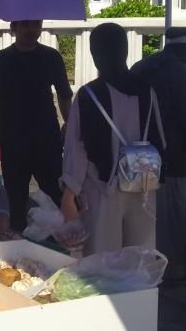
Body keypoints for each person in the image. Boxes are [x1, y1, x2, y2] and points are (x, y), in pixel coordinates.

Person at [60, 22, 165, 256]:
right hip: (143, 185)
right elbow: (159, 139)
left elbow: (76, 147)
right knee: (140, 257)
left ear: (95, 54)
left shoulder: (89, 94)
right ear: (124, 50)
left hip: (103, 190)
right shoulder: (147, 91)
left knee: (103, 258)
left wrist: (69, 194)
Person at [0, 20, 73, 230]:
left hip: (47, 140)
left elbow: (65, 95)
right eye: (26, 25)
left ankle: (62, 242)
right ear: (14, 27)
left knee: (57, 195)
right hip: (11, 143)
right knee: (15, 201)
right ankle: (16, 244)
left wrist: (70, 123)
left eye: (36, 24)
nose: (31, 30)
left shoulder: (52, 57)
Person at [131, 26, 186, 283]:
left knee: (141, 215)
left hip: (137, 154)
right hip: (170, 158)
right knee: (170, 218)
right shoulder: (182, 73)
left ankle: (140, 268)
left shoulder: (140, 67)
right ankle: (169, 273)